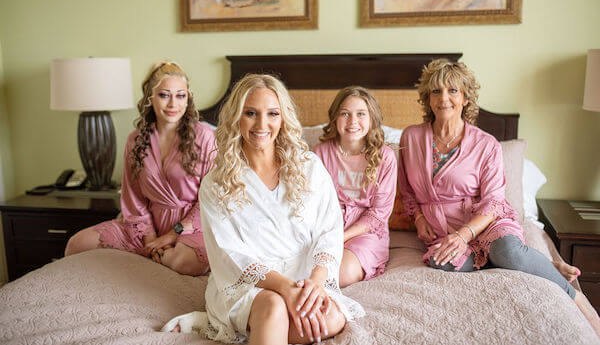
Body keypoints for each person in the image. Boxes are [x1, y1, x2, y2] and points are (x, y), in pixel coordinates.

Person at [397, 58, 600, 335]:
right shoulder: (410, 138)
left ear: (466, 98)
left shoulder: (486, 144)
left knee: (506, 251)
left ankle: (576, 299)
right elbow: (407, 190)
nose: (444, 98)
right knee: (443, 263)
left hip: (485, 220)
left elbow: (493, 201)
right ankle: (536, 262)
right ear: (427, 99)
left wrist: (465, 235)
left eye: (453, 91)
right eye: (436, 91)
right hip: (442, 227)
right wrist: (419, 216)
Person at [162, 74, 364, 344]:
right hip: (250, 284)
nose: (262, 124)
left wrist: (315, 282)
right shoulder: (216, 183)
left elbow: (329, 230)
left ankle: (232, 327)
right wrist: (284, 289)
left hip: (304, 280)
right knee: (273, 307)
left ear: (283, 118)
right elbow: (227, 253)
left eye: (272, 113)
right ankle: (230, 319)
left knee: (332, 319)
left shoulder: (309, 166)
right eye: (251, 113)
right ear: (237, 118)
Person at [64, 61, 215, 276]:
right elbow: (133, 197)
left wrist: (172, 235)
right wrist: (150, 238)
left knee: (188, 264)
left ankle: (158, 256)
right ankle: (152, 252)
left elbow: (211, 199)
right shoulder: (136, 140)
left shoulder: (205, 137)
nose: (173, 103)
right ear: (150, 98)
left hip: (191, 226)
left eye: (180, 96)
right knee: (76, 244)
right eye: (164, 95)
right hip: (146, 226)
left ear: (188, 98)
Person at [314, 86, 397, 287]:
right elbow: (312, 202)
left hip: (365, 231)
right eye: (345, 114)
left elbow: (378, 214)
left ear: (372, 119)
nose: (353, 121)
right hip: (326, 226)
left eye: (361, 114)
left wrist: (341, 237)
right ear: (335, 118)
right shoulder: (320, 153)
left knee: (341, 274)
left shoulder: (385, 157)